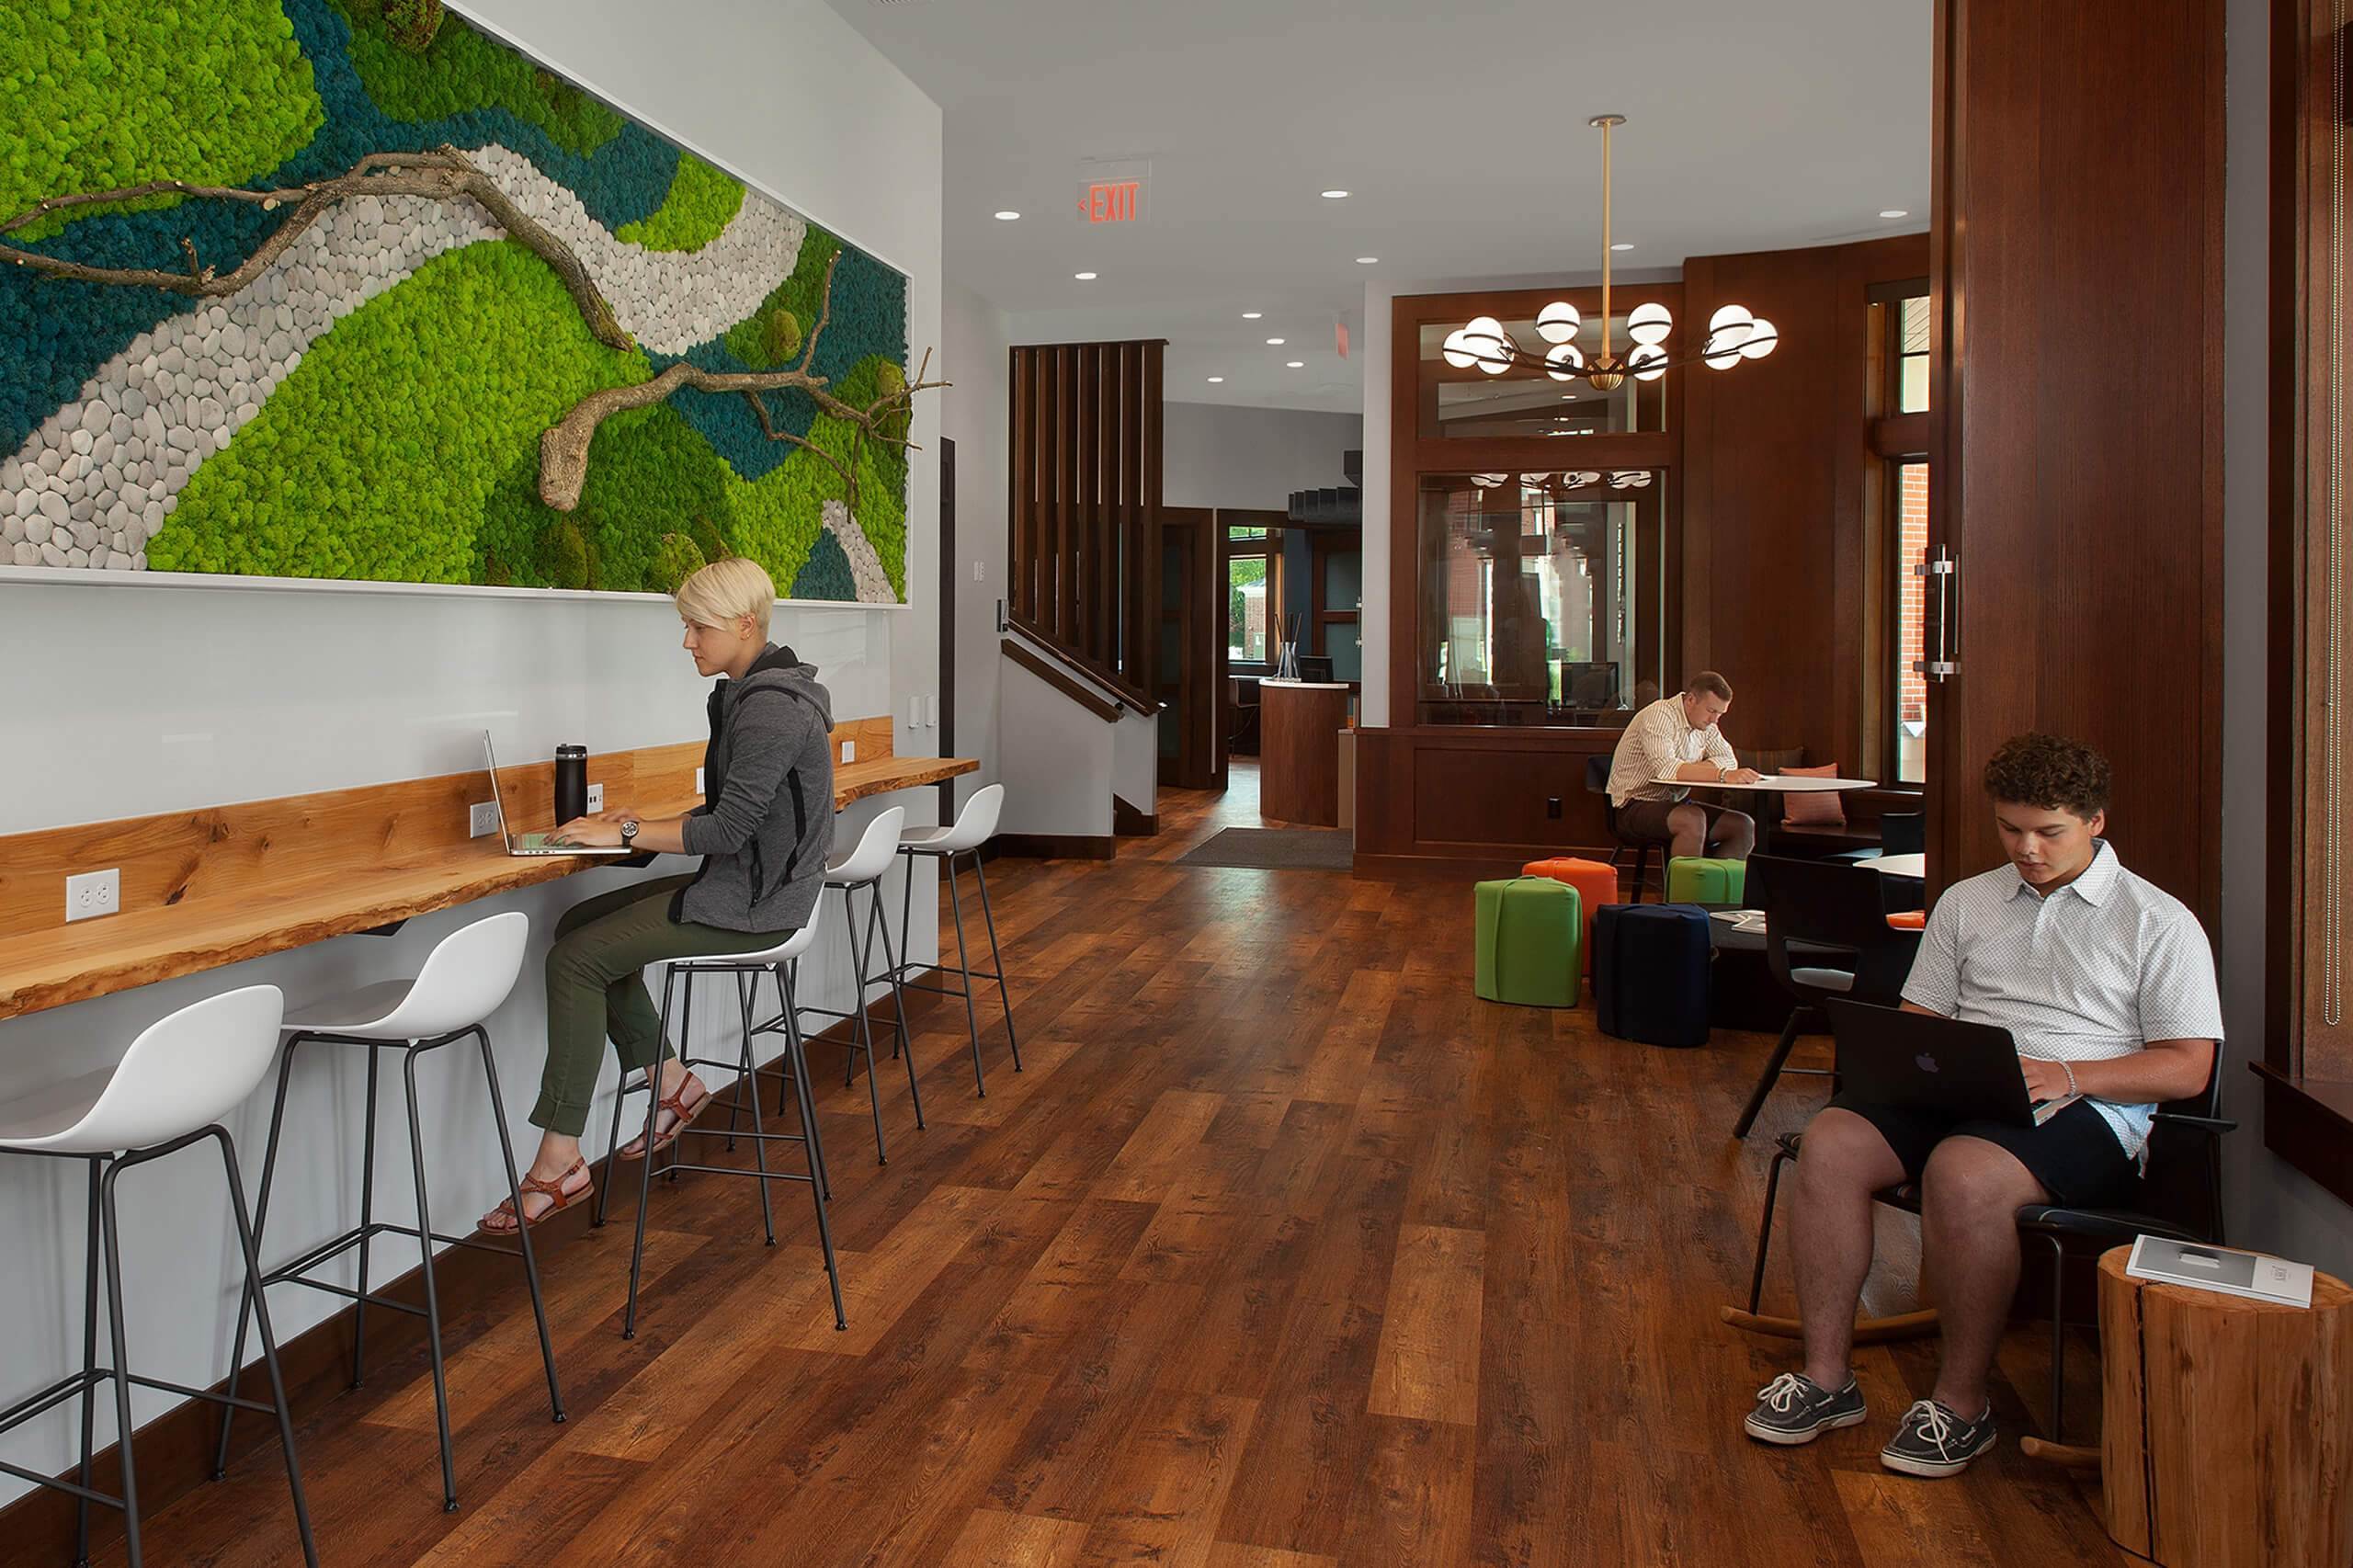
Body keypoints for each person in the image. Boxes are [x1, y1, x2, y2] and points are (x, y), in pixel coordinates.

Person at [1743, 733, 2222, 1477]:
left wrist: (2070, 1074)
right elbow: (1922, 1018)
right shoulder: (1968, 902)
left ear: (2096, 821)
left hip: (2086, 1105)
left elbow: (2189, 1068)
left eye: (2048, 831)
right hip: (1963, 1086)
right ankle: (1827, 1380)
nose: (2027, 847)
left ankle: (1962, 1406)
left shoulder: (2158, 921)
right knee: (1832, 1139)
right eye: (2011, 828)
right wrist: (1921, 1064)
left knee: (1964, 1174)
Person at [480, 557, 836, 1232]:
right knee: (580, 923)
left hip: (761, 905)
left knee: (575, 960)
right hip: (753, 885)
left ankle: (559, 1160)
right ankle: (672, 1084)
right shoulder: (754, 693)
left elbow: (727, 830)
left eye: (697, 627)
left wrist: (631, 827)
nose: (687, 642)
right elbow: (735, 817)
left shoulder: (769, 707)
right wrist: (627, 826)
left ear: (744, 624)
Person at [1605, 671, 1760, 859]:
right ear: (1691, 700)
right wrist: (1721, 775)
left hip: (1674, 804)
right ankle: (1688, 889)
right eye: (1711, 711)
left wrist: (1689, 769)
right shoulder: (1660, 715)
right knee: (1692, 820)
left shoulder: (1706, 725)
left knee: (1742, 826)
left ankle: (1717, 887)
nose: (1715, 720)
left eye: (1720, 713)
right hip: (1633, 805)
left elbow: (1729, 761)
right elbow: (1668, 770)